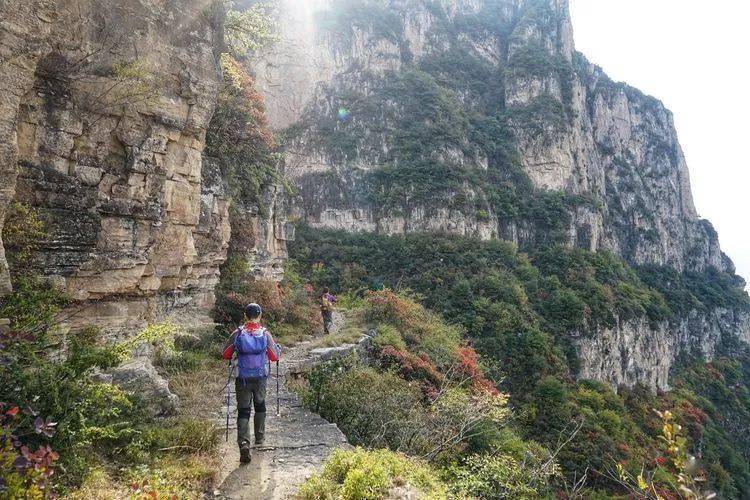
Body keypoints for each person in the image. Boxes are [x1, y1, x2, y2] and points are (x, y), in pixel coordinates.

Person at [222, 303, 281, 464]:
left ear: (245, 315)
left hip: (243, 377)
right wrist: (278, 349)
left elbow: (225, 354)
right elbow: (274, 356)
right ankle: (260, 438)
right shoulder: (265, 334)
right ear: (260, 315)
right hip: (260, 377)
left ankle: (243, 444)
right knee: (260, 405)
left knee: (243, 410)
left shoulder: (238, 333)